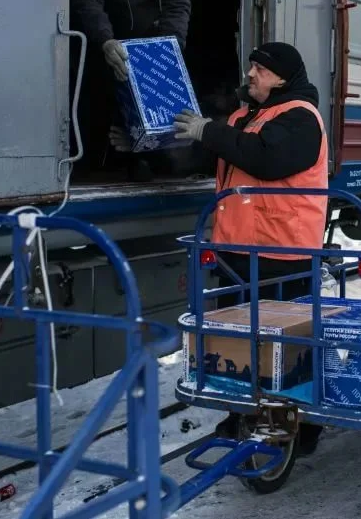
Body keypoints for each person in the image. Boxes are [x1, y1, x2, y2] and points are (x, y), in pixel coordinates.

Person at [109, 41, 328, 454]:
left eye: (259, 69)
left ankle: (299, 429)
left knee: (288, 347)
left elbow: (265, 159)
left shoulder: (301, 117)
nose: (250, 74)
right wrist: (143, 149)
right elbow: (215, 158)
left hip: (283, 254)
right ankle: (244, 415)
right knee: (240, 344)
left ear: (281, 77)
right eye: (251, 67)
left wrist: (208, 129)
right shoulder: (246, 117)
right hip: (236, 250)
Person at [72, 0, 192, 181]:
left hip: (151, 34)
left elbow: (178, 5)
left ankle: (150, 163)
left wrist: (169, 50)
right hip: (105, 34)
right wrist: (104, 40)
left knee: (159, 104)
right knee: (98, 102)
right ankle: (94, 167)